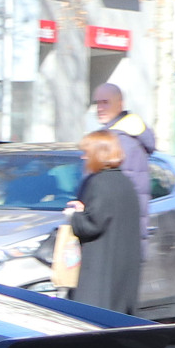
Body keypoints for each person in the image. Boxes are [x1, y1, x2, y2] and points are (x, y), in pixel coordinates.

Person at [63, 128, 144, 315]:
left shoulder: (99, 182)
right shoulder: (125, 182)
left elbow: (93, 224)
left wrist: (73, 216)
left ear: (98, 154)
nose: (83, 158)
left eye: (87, 153)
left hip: (100, 274)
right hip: (122, 272)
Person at [92, 83, 157, 203]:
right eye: (97, 103)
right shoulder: (124, 136)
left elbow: (115, 193)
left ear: (120, 104)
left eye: (105, 102)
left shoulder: (121, 141)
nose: (99, 108)